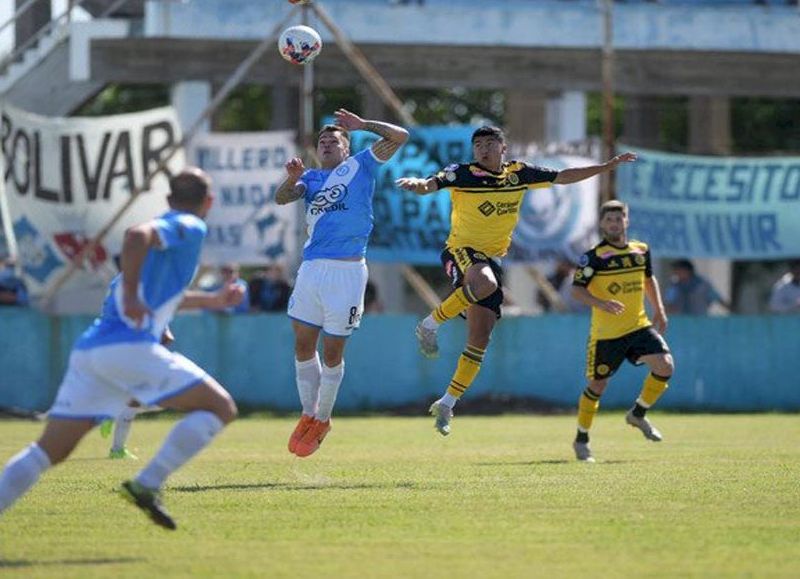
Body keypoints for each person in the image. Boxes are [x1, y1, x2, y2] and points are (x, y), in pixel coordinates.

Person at [0, 167, 243, 530]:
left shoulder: (143, 270)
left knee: (47, 452)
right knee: (219, 407)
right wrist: (132, 295)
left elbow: (161, 295)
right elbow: (136, 234)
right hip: (128, 349)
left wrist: (212, 300)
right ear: (208, 202)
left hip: (91, 353)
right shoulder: (191, 226)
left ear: (167, 197)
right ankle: (147, 483)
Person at [396, 126, 636, 435]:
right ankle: (429, 323)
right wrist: (418, 184)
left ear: (503, 148)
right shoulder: (463, 173)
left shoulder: (519, 174)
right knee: (486, 284)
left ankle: (447, 402)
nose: (482, 149)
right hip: (460, 250)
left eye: (489, 143)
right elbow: (432, 184)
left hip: (492, 259)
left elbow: (563, 176)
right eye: (478, 145)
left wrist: (605, 167)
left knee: (480, 338)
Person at [276, 108, 408, 457]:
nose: (327, 144)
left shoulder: (362, 165)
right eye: (322, 141)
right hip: (312, 270)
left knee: (332, 352)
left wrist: (364, 126)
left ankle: (323, 417)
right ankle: (308, 415)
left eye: (334, 140)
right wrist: (291, 180)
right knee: (303, 346)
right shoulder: (313, 179)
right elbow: (282, 197)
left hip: (347, 274)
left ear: (346, 149)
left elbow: (400, 136)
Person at [570, 200, 674, 463]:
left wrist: (659, 309)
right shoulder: (593, 257)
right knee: (598, 385)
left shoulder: (640, 250)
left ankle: (637, 414)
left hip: (638, 326)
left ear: (626, 221)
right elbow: (577, 290)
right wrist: (601, 303)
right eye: (609, 220)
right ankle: (581, 439)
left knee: (665, 366)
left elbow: (649, 279)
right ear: (602, 224)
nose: (614, 224)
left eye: (619, 219)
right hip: (606, 335)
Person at [664, 259, 730, 315]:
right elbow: (668, 303)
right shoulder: (674, 286)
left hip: (700, 323)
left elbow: (718, 299)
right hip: (681, 323)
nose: (675, 272)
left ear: (687, 271)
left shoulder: (702, 285)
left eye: (678, 269)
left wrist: (735, 313)